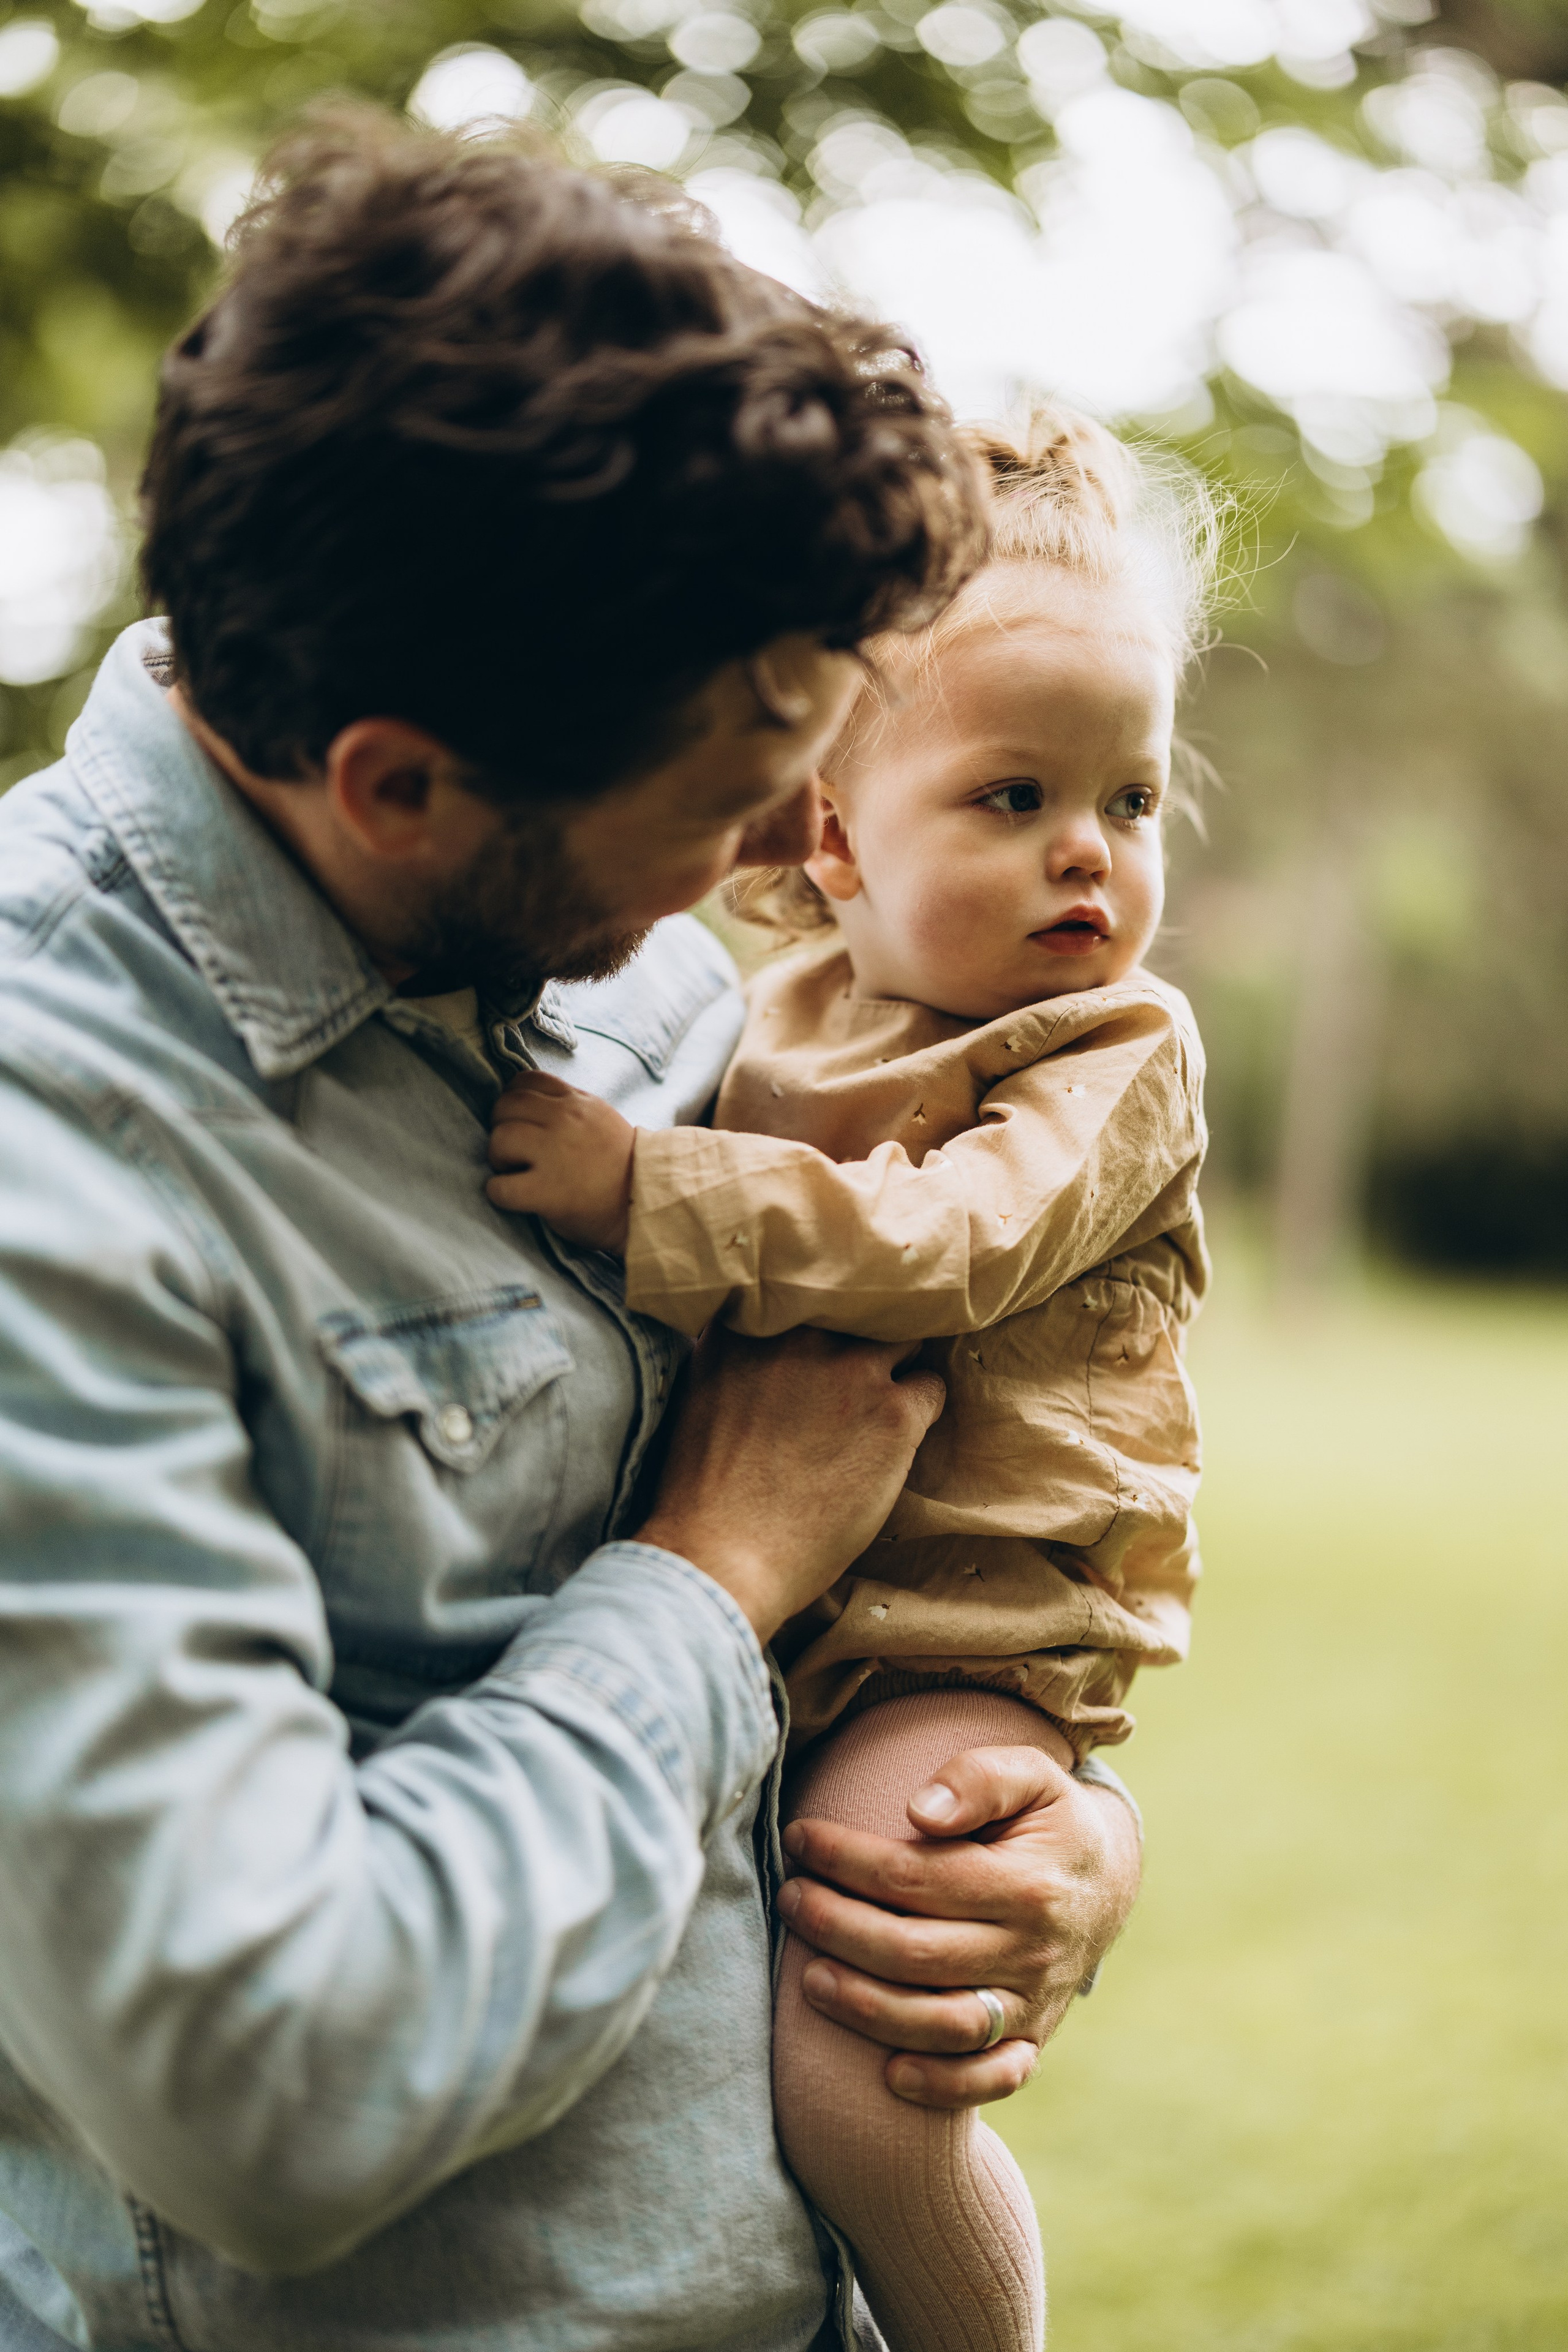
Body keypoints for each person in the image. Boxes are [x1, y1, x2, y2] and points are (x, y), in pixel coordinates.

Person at [0, 116, 1144, 2352]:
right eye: (726, 813)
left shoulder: (621, 949)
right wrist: (711, 1584)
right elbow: (262, 2087)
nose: (778, 862)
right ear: (399, 781)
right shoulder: (53, 1152)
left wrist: (1050, 1844)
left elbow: (936, 1506)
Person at [487, 409, 1218, 2352]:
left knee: (852, 2067)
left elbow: (955, 1239)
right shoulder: (757, 1005)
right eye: (1012, 796)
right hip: (765, 1609)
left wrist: (650, 1188)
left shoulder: (1111, 1055)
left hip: (955, 1632)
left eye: (1132, 802)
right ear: (831, 835)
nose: (1089, 851)